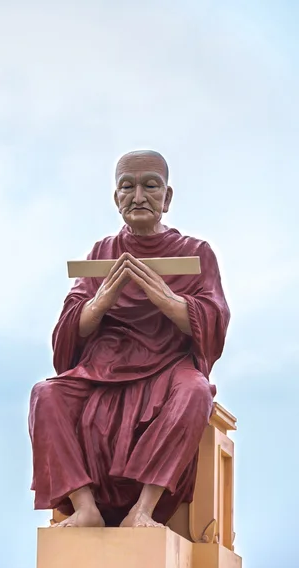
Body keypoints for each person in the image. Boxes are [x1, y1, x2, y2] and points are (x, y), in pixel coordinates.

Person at [28, 150, 230, 528]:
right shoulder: (102, 253)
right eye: (128, 186)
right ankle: (85, 507)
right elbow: (70, 326)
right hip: (104, 367)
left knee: (197, 392)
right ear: (116, 197)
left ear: (167, 197)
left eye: (150, 186)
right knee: (46, 394)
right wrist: (102, 298)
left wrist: (167, 300)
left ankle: (144, 509)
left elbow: (213, 318)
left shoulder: (195, 253)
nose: (139, 195)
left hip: (167, 368)